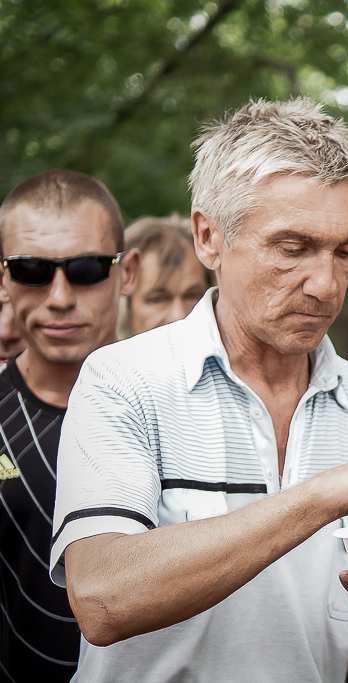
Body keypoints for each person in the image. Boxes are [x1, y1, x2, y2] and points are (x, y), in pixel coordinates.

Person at [49, 98, 348, 683]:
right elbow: (102, 599)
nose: (324, 284)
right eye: (293, 249)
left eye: (346, 251)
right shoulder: (123, 379)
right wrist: (330, 495)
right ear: (208, 237)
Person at [0, 169, 140, 682]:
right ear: (2, 278)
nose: (59, 297)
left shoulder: (184, 413)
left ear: (129, 272)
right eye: (31, 270)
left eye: (86, 269)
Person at [120, 214, 214, 336]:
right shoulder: (101, 355)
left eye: (192, 296)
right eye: (158, 299)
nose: (179, 315)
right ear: (124, 307)